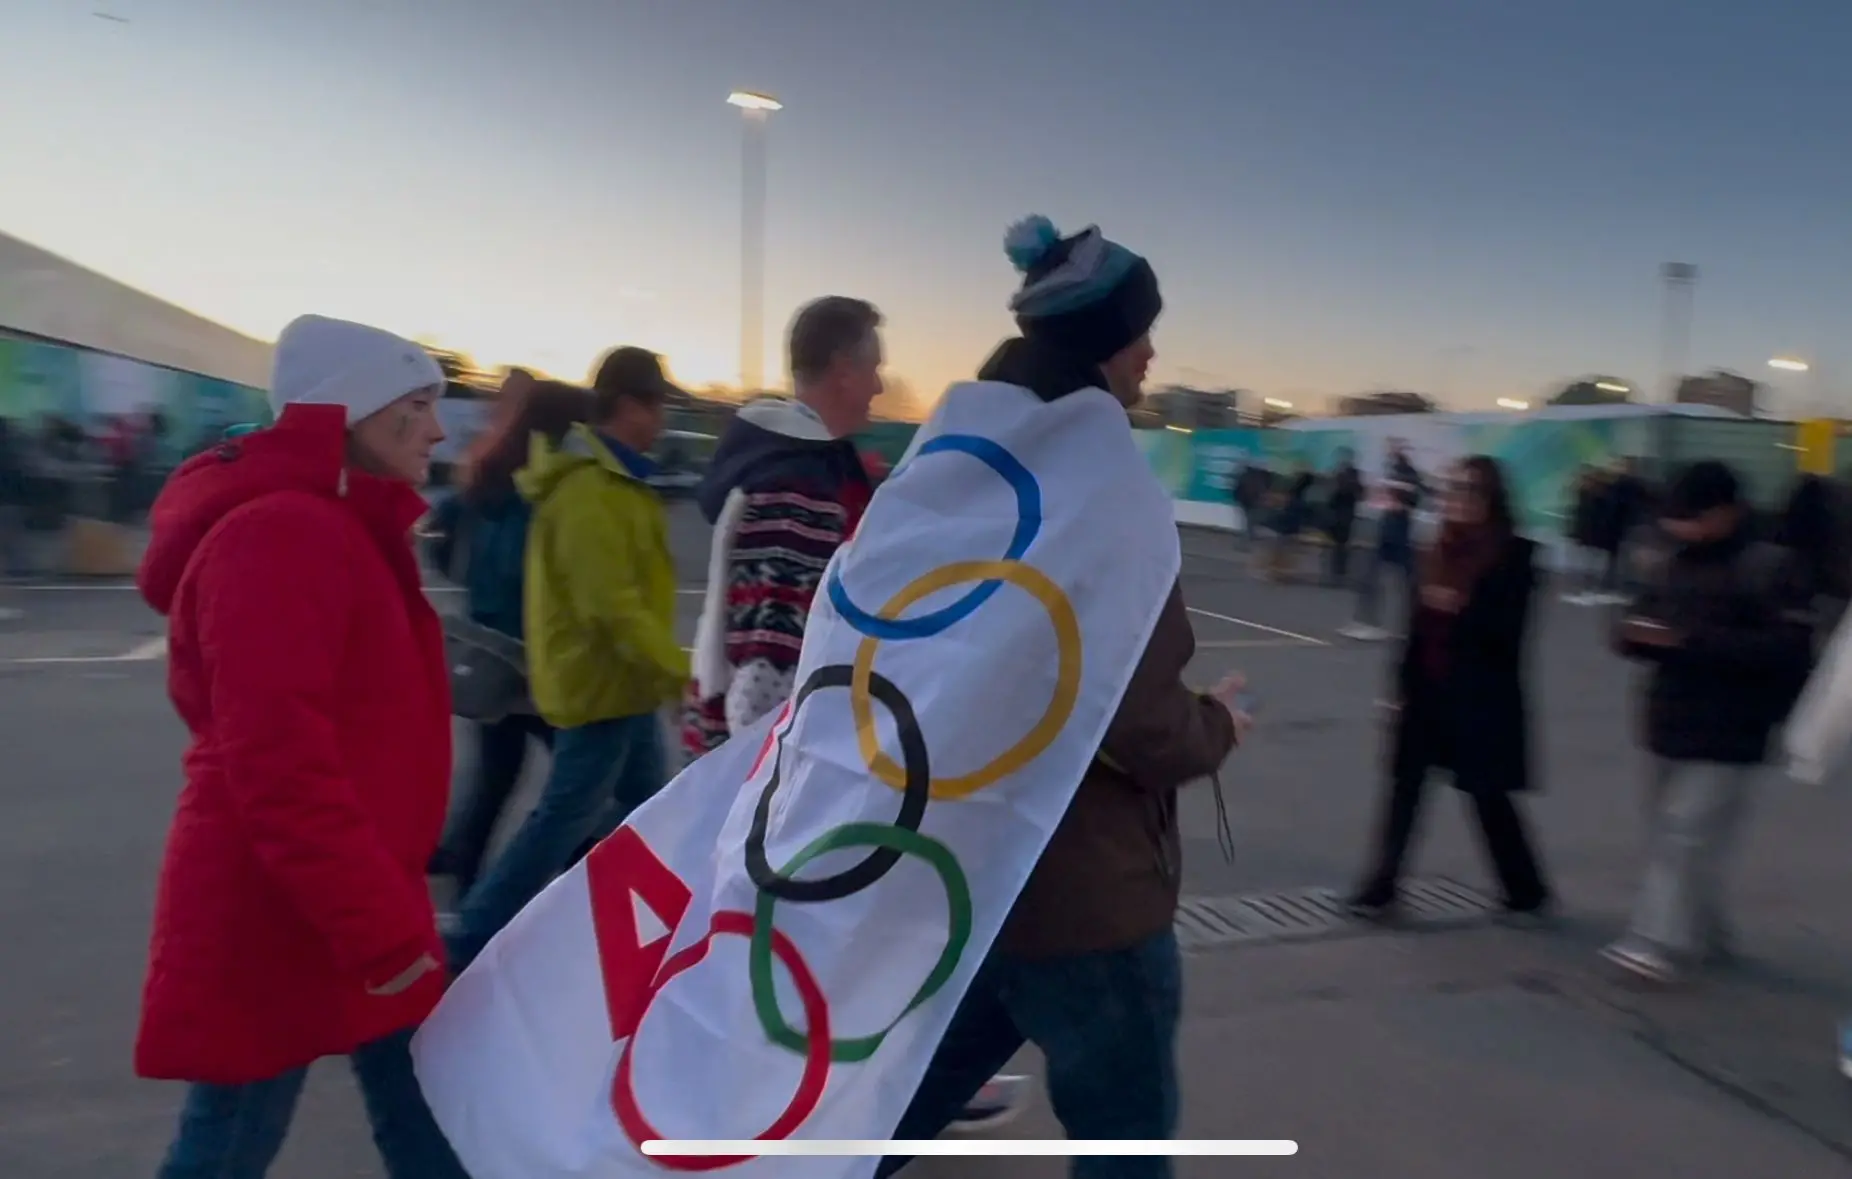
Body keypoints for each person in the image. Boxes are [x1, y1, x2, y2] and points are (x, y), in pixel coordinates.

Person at [877, 216, 1250, 1179]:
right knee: (1124, 1149)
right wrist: (1216, 723)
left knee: (875, 1116)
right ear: (1101, 346)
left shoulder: (946, 472)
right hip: (1088, 901)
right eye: (1139, 332)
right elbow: (1140, 723)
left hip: (962, 877)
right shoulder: (1103, 494)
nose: (1151, 352)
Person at [131, 315, 467, 1178]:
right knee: (228, 1144)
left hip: (342, 891)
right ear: (357, 409)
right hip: (284, 910)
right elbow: (277, 765)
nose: (438, 429)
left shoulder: (336, 523)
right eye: (419, 404)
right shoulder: (283, 533)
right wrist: (382, 930)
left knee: (429, 1113)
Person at [443, 348, 687, 968]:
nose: (663, 418)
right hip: (599, 686)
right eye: (658, 404)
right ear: (628, 406)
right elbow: (610, 605)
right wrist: (678, 671)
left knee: (643, 808)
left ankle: (628, 923)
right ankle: (467, 944)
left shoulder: (620, 479)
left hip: (625, 683)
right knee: (563, 818)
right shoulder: (588, 488)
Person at [1605, 460, 1817, 984]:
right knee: (1671, 836)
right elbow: (1640, 614)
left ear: (1725, 512)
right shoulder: (1672, 560)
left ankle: (1657, 942)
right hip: (1670, 718)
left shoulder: (1771, 566)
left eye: (1689, 517)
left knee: (1685, 836)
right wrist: (1632, 635)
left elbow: (1788, 652)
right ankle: (1705, 932)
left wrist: (1688, 642)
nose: (1677, 526)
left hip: (1734, 727)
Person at [1347, 455, 1552, 923]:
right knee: (1404, 791)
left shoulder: (1515, 555)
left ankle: (1526, 889)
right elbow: (1413, 632)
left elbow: (1510, 636)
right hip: (1426, 693)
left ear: (1493, 499)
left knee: (1487, 795)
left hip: (1479, 699)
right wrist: (1396, 689)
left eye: (1471, 491)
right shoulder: (1434, 549)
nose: (1458, 500)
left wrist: (1461, 608)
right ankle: (1381, 887)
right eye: (1453, 490)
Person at [680, 296, 881, 759]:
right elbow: (763, 681)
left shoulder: (781, 463)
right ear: (843, 370)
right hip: (756, 768)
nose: (879, 385)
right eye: (873, 369)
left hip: (729, 754)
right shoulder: (799, 490)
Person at [424, 379, 592, 896]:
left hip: (488, 653)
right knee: (579, 781)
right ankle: (572, 879)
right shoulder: (549, 489)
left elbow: (439, 538)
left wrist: (475, 587)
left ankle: (462, 865)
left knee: (500, 772)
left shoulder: (485, 476)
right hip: (537, 656)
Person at [1341, 439, 1424, 641]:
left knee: (1405, 584)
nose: (1390, 450)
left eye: (1394, 447)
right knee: (1374, 578)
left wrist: (1399, 502)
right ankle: (1367, 622)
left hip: (1399, 533)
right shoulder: (1392, 470)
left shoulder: (1408, 473)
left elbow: (1412, 499)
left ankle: (1402, 627)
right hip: (1388, 530)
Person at [1324, 448, 1364, 586]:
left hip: (1345, 512)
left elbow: (1357, 492)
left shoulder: (1352, 474)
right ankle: (1335, 572)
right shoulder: (1336, 472)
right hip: (1335, 511)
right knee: (1337, 544)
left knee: (1341, 544)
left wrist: (1342, 485)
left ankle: (1338, 573)